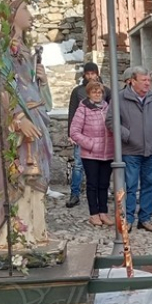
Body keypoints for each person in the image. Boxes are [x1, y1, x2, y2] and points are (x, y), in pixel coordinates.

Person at [0, 0, 54, 247]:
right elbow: (3, 88)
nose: (30, 13)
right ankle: (17, 235)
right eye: (24, 8)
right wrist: (17, 119)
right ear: (11, 14)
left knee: (38, 180)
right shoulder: (4, 48)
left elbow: (42, 99)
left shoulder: (26, 49)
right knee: (21, 176)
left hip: (37, 117)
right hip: (23, 121)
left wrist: (43, 80)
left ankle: (37, 231)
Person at [105, 66, 152, 232]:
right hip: (130, 152)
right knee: (130, 186)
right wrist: (127, 135)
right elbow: (111, 120)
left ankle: (145, 218)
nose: (147, 83)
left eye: (149, 80)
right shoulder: (120, 98)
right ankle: (127, 219)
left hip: (151, 151)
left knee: (150, 185)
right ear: (132, 81)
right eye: (143, 80)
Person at [69, 81, 114, 226]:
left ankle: (103, 212)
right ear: (89, 93)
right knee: (92, 184)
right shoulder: (83, 109)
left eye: (99, 92)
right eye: (94, 92)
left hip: (107, 153)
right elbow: (74, 132)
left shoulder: (108, 109)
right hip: (91, 154)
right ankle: (93, 213)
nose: (97, 94)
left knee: (104, 184)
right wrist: (91, 144)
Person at [66, 61, 108, 208]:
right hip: (82, 134)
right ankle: (75, 194)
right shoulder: (78, 91)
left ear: (97, 74)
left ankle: (103, 194)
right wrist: (70, 133)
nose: (90, 76)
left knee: (103, 165)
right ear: (85, 74)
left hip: (102, 136)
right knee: (78, 165)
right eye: (88, 73)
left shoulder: (105, 91)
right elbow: (72, 112)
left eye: (93, 73)